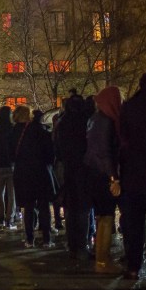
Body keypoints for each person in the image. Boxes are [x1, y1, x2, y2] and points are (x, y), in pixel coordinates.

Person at [118, 72, 146, 280]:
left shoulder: (128, 107)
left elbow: (122, 140)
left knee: (134, 223)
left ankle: (133, 266)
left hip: (133, 171)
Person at [84, 86, 124, 274]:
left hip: (92, 173)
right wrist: (113, 178)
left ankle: (101, 259)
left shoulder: (93, 119)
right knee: (106, 219)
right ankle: (102, 261)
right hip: (103, 175)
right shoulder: (106, 121)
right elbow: (105, 152)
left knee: (102, 218)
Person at [12, 106, 57, 248]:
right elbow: (51, 153)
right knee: (44, 207)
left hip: (23, 173)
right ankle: (46, 239)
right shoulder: (40, 130)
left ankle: (29, 239)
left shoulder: (15, 133)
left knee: (28, 207)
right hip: (41, 172)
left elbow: (11, 154)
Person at [55, 95, 93, 259]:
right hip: (84, 168)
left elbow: (57, 147)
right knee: (83, 208)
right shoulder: (86, 120)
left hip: (68, 168)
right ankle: (82, 244)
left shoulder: (62, 123)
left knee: (70, 207)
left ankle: (72, 245)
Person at [0, 106, 16, 229]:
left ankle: (0, 216)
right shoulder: (13, 129)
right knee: (12, 194)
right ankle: (9, 218)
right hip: (11, 164)